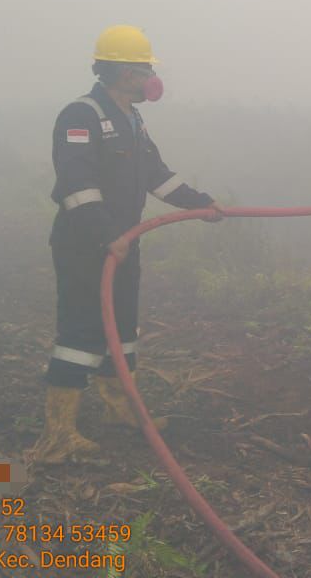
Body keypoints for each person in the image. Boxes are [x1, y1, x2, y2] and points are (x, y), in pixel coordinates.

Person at [29, 25, 224, 463]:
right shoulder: (81, 115)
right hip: (86, 243)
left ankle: (121, 410)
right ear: (120, 72)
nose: (151, 79)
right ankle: (58, 433)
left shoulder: (132, 119)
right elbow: (75, 183)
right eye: (143, 70)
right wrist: (106, 235)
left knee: (122, 328)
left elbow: (157, 174)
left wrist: (199, 203)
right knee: (81, 331)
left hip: (124, 242)